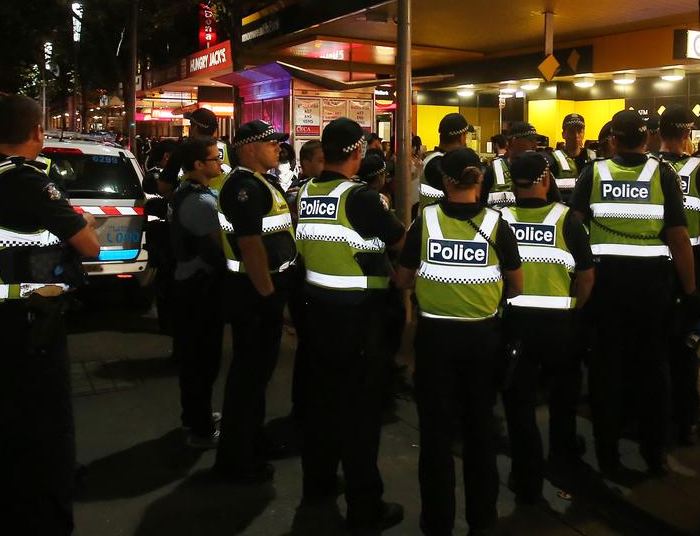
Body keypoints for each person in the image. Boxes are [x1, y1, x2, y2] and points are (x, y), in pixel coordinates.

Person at [0, 94, 101, 535]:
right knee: (46, 436)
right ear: (37, 132)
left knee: (1, 435)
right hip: (27, 325)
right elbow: (87, 244)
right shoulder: (28, 183)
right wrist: (84, 223)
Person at [394, 148, 522, 536]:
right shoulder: (498, 225)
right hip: (483, 341)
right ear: (479, 181)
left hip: (435, 341)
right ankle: (482, 520)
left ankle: (437, 522)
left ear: (444, 182)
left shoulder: (424, 221)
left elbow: (402, 279)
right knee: (479, 431)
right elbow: (516, 285)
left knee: (435, 434)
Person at [570, 109, 700, 476]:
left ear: (612, 139)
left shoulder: (593, 173)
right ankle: (654, 452)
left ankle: (607, 453)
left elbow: (574, 228)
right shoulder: (663, 174)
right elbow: (679, 237)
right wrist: (691, 291)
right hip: (652, 287)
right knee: (653, 369)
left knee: (605, 370)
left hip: (604, 286)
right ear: (648, 140)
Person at [294, 118, 406, 533]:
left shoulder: (309, 192)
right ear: (358, 153)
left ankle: (319, 483)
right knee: (360, 415)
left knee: (322, 404)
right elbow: (401, 242)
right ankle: (366, 506)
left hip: (318, 311)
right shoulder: (360, 198)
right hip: (360, 319)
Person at [498, 150, 595, 502]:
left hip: (515, 325)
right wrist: (575, 308)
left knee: (519, 402)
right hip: (559, 326)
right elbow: (585, 277)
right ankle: (563, 454)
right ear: (545, 179)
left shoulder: (499, 219)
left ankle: (526, 477)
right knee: (563, 396)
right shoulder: (566, 220)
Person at [214, 120, 298, 482]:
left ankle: (253, 441)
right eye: (270, 142)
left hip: (262, 293)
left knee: (257, 376)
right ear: (248, 148)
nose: (277, 147)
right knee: (248, 379)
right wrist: (266, 293)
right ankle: (237, 459)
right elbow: (250, 244)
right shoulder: (245, 187)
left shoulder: (261, 183)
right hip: (254, 295)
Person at [654, 106, 700, 445]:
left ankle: (655, 415)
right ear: (688, 134)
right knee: (685, 348)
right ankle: (686, 417)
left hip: (655, 269)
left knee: (655, 349)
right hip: (691, 269)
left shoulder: (649, 168)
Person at [168, 137, 229, 449]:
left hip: (187, 286)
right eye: (214, 158)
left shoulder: (186, 191)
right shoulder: (201, 203)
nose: (219, 163)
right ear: (197, 165)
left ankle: (195, 416)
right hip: (199, 289)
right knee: (203, 360)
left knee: (195, 359)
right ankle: (201, 429)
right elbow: (221, 247)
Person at [482, 122, 560, 207]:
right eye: (530, 140)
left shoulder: (541, 170)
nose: (535, 146)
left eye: (535, 141)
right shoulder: (494, 170)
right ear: (513, 141)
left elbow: (557, 205)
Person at [157, 108, 226, 197]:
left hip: (190, 206)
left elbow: (163, 187)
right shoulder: (228, 149)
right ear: (215, 130)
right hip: (222, 209)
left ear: (195, 128)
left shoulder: (184, 150)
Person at [419, 113, 474, 214]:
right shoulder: (439, 163)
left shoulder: (431, 160)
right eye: (466, 135)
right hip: (438, 224)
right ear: (462, 137)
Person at [550, 113, 595, 204]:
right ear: (563, 134)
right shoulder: (553, 159)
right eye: (571, 131)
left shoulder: (592, 156)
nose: (576, 135)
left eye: (579, 131)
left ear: (583, 133)